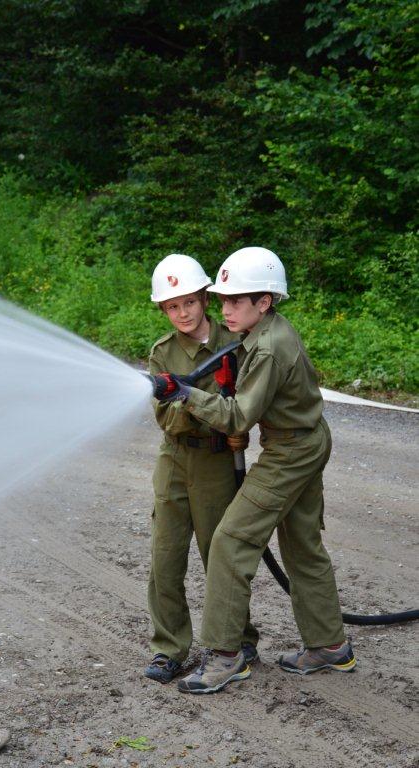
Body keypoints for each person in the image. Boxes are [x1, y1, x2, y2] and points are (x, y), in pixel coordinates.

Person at [154, 247, 356, 694]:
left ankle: (227, 656)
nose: (224, 309)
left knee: (230, 541)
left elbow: (238, 418)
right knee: (302, 544)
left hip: (291, 452)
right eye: (222, 300)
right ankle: (330, 645)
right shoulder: (268, 331)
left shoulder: (266, 348)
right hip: (307, 439)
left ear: (264, 301)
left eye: (235, 300)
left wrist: (185, 394)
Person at [145, 253, 258, 684]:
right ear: (163, 309)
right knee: (166, 557)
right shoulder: (162, 353)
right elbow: (168, 419)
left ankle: (238, 640)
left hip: (217, 461)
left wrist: (235, 428)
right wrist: (210, 410)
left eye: (189, 302)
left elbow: (250, 402)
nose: (183, 313)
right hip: (175, 459)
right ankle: (169, 648)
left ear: (204, 298)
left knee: (221, 555)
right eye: (172, 306)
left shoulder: (237, 341)